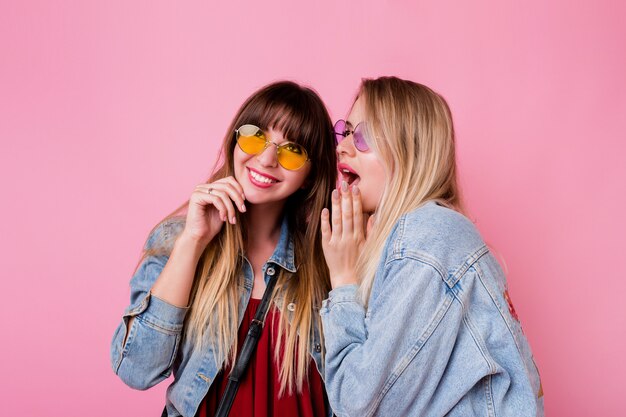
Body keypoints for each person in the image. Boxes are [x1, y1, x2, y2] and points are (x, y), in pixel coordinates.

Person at [319, 76, 544, 417]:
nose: (343, 147)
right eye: (345, 131)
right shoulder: (420, 235)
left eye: (363, 136)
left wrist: (344, 280)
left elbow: (359, 404)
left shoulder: (426, 237)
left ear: (410, 150)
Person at [110, 81, 336, 417]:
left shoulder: (330, 258)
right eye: (255, 136)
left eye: (292, 150)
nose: (267, 158)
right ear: (235, 139)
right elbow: (136, 370)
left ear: (309, 174)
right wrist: (193, 242)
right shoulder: (177, 238)